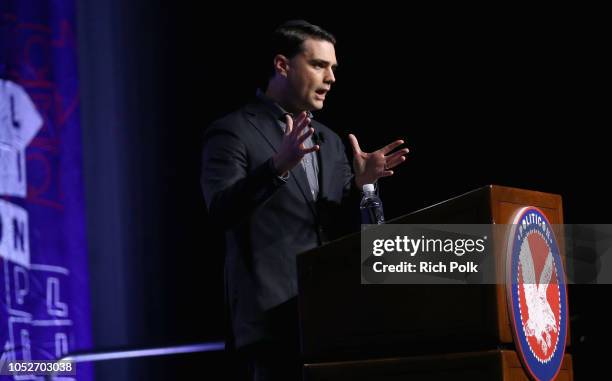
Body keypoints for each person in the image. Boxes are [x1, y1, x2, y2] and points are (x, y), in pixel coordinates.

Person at [200, 20, 409, 381]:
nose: (331, 78)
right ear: (282, 65)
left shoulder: (329, 140)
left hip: (332, 321)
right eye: (318, 65)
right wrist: (276, 167)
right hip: (269, 327)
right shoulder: (233, 130)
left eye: (333, 68)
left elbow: (338, 228)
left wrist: (364, 186)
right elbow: (220, 211)